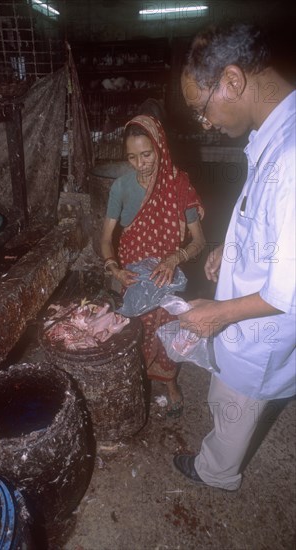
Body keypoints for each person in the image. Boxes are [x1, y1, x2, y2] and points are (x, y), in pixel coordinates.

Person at [173, 22, 295, 490]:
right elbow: (276, 223)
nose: (205, 123)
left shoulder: (291, 157)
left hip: (260, 331)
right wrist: (233, 245)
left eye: (201, 109)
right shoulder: (276, 132)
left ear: (232, 81)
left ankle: (216, 472)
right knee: (228, 401)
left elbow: (289, 290)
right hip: (248, 315)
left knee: (233, 406)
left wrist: (218, 315)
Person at [101, 114, 205, 416]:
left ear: (160, 148)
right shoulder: (121, 187)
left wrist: (174, 258)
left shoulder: (179, 184)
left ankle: (170, 384)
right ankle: (136, 386)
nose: (140, 164)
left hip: (165, 276)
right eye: (132, 157)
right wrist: (114, 269)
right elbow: (106, 238)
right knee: (132, 334)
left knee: (166, 331)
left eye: (146, 154)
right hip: (133, 277)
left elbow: (199, 240)